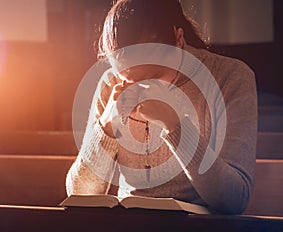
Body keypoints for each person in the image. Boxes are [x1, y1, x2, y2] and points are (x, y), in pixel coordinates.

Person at [66, 0, 257, 214]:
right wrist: (107, 126)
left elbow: (233, 199)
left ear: (178, 39)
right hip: (128, 222)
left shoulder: (230, 77)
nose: (139, 89)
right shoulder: (110, 83)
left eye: (154, 77)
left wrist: (174, 125)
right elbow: (80, 194)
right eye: (127, 78)